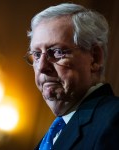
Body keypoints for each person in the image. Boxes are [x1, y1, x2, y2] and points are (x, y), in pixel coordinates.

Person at [24, 3, 119, 150]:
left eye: (57, 52)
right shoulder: (54, 134)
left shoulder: (114, 119)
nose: (42, 67)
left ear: (95, 58)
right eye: (37, 55)